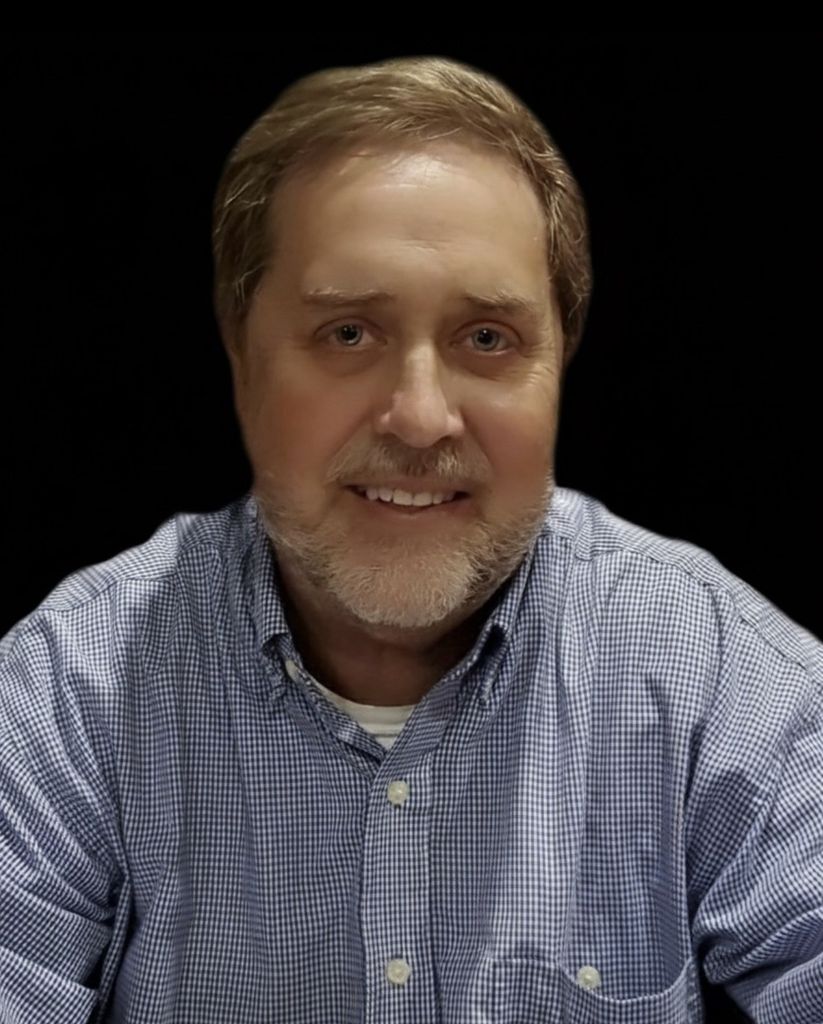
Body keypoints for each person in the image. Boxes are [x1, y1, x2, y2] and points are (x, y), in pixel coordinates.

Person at [0, 54, 820, 1024]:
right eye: (348, 333)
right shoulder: (73, 687)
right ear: (239, 355)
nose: (422, 418)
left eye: (487, 338)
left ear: (561, 365)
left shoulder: (716, 672)